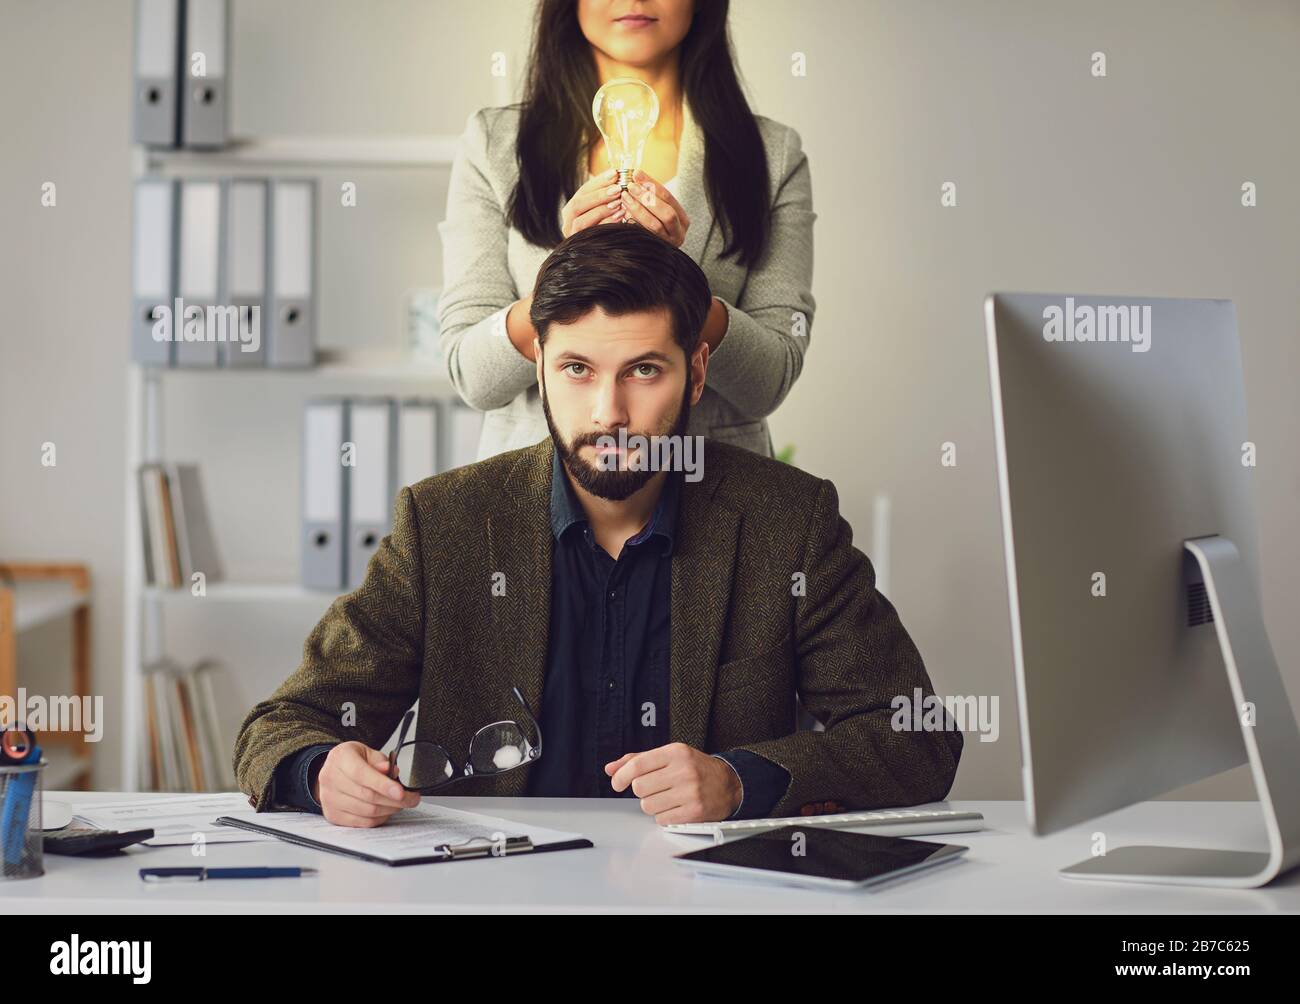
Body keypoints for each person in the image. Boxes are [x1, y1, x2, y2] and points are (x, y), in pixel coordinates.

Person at [234, 226, 959, 828]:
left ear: (698, 372)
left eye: (644, 371)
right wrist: (320, 770)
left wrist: (741, 781)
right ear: (538, 365)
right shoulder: (443, 524)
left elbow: (917, 735)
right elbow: (281, 725)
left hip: (710, 900)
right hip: (488, 897)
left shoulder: (788, 523)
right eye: (578, 368)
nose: (609, 410)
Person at [438, 0, 816, 460]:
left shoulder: (771, 155)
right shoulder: (495, 144)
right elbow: (472, 374)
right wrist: (567, 269)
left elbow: (769, 380)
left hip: (711, 490)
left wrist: (681, 280)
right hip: (536, 495)